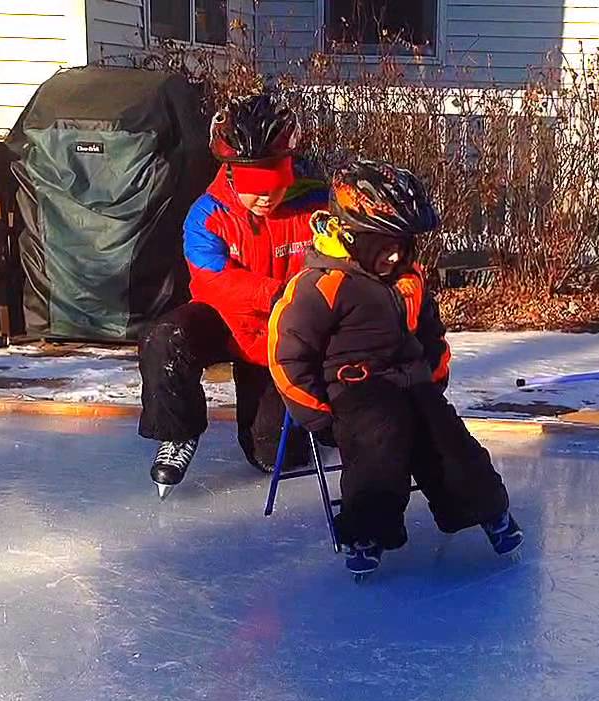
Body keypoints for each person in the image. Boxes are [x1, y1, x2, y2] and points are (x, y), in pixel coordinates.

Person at [268, 159, 523, 575]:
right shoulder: (322, 284)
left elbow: (431, 333)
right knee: (379, 443)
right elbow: (286, 353)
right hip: (356, 391)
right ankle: (367, 531)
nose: (394, 254)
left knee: (450, 441)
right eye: (383, 245)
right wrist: (316, 414)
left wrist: (434, 377)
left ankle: (489, 510)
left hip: (412, 381)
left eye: (402, 244)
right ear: (351, 238)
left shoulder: (409, 277)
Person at [138, 93, 323, 498]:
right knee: (163, 338)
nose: (264, 197)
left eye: (273, 183)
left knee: (274, 457)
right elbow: (212, 281)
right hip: (225, 321)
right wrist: (278, 294)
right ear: (233, 175)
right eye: (254, 186)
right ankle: (177, 432)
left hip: (284, 337)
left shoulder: (316, 205)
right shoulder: (207, 214)